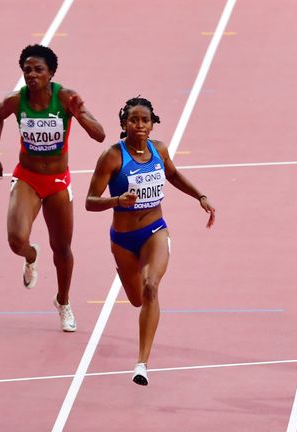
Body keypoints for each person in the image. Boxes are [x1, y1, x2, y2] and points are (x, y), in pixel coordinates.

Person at [85, 97, 216, 385]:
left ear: (153, 123)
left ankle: (141, 363)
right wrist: (116, 200)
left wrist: (200, 196)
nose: (140, 125)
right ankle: (128, 277)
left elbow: (173, 175)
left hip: (155, 231)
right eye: (134, 120)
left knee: (151, 287)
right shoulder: (112, 157)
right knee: (135, 299)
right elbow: (89, 202)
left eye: (145, 120)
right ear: (124, 124)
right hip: (122, 240)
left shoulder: (160, 150)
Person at [0, 44, 106, 332]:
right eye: (27, 69)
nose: (32, 74)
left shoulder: (65, 98)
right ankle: (31, 256)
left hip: (57, 183)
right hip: (27, 178)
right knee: (16, 241)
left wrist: (79, 115)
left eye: (38, 69)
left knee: (62, 248)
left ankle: (63, 302)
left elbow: (100, 135)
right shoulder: (16, 101)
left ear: (51, 73)